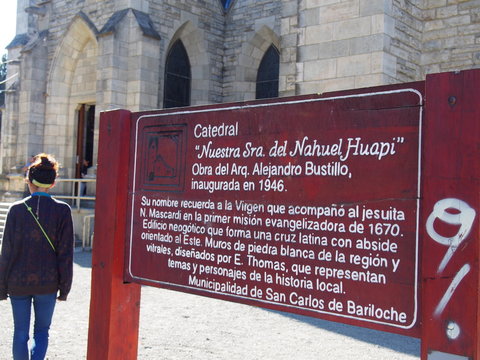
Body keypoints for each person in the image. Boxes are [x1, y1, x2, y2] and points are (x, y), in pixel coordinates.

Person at [0, 153, 74, 360]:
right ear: (53, 183)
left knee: (20, 333)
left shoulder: (16, 210)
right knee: (42, 331)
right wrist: (64, 287)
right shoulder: (63, 211)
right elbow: (66, 254)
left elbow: (6, 251)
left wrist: (2, 287)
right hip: (48, 283)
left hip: (18, 282)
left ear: (29, 181)